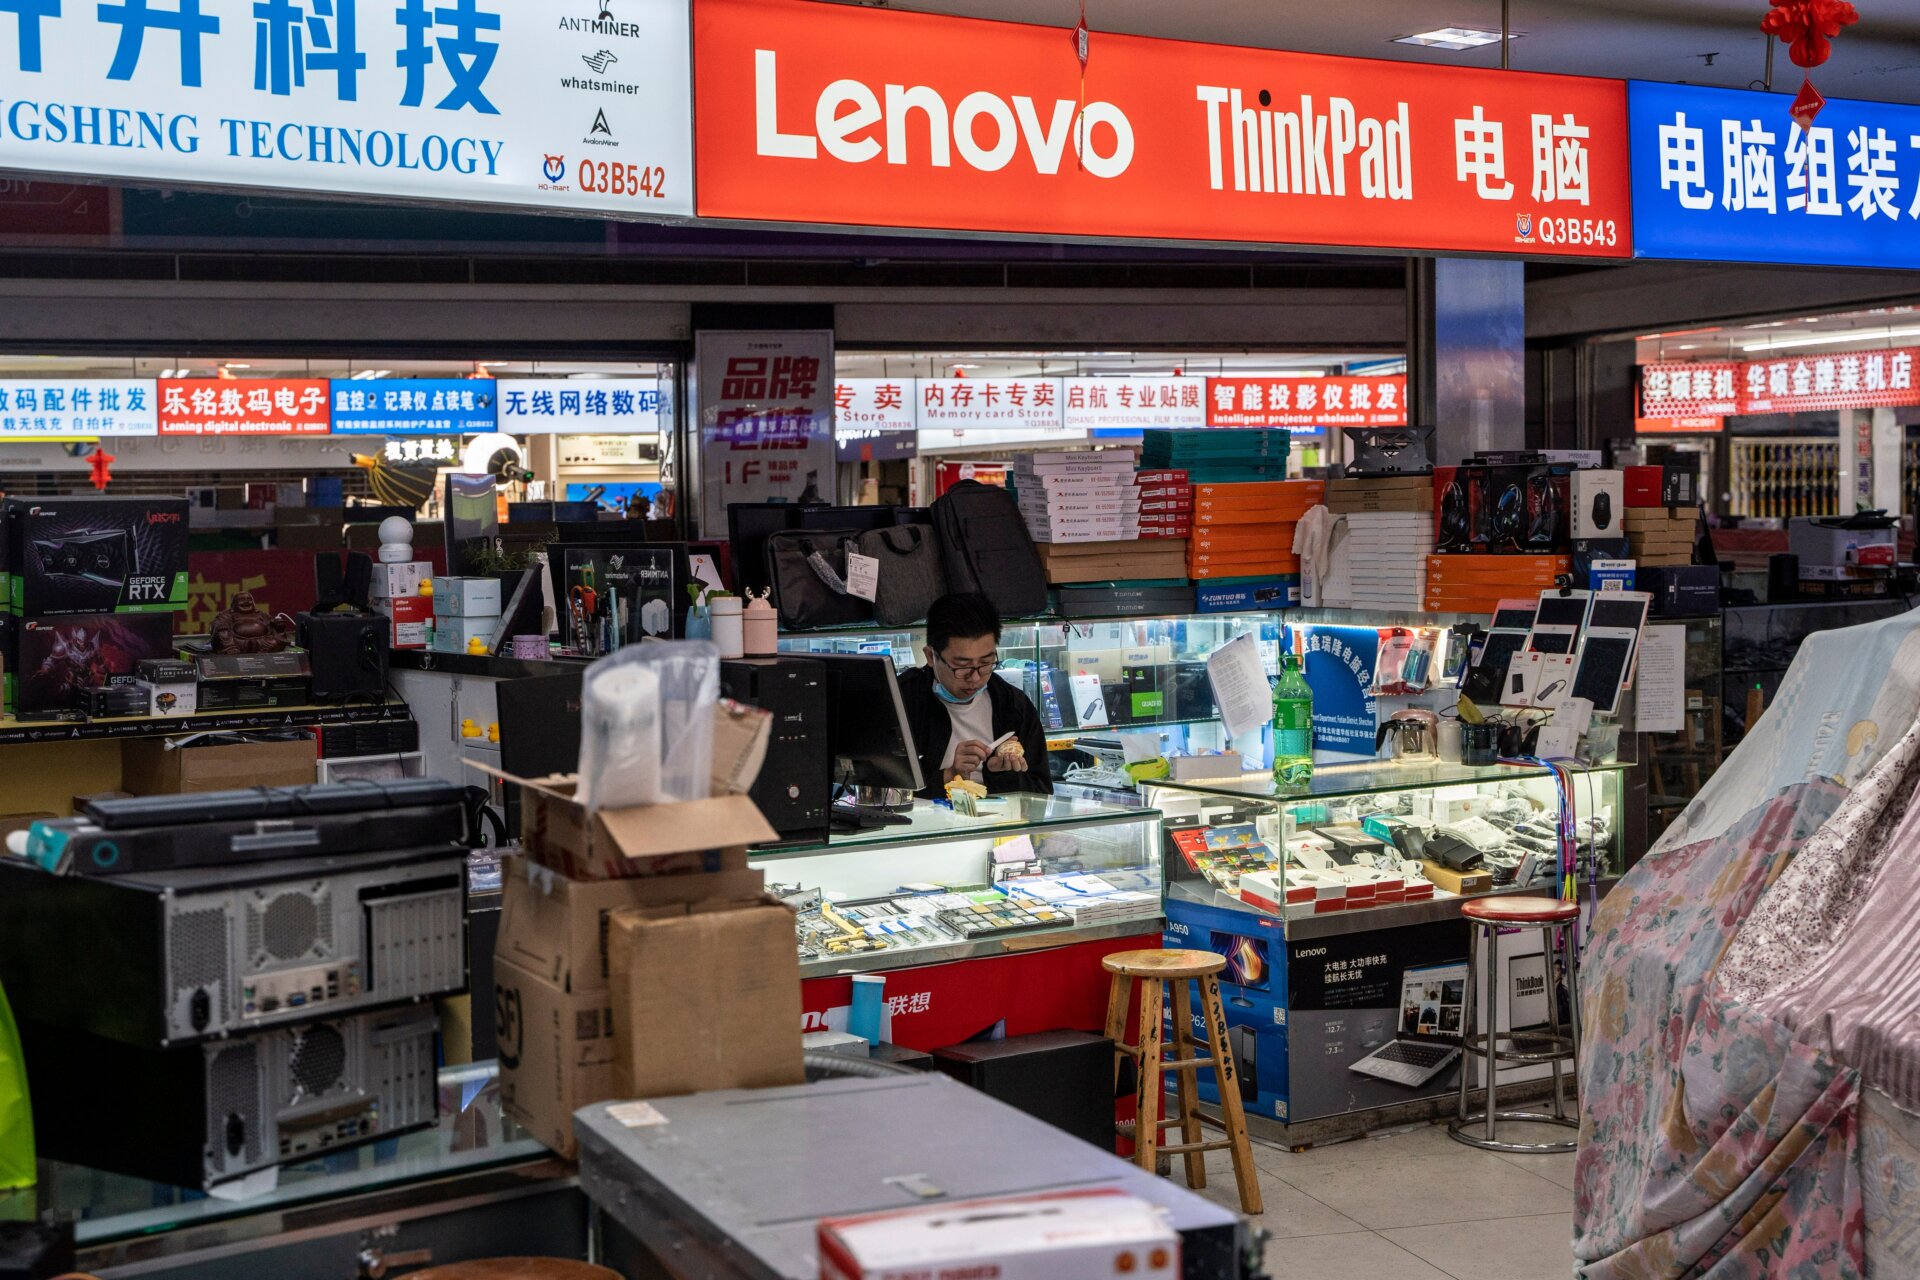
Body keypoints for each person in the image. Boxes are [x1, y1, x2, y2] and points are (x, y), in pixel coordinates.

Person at [896, 592, 1052, 799]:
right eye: (962, 666)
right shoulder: (902, 700)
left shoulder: (1012, 705)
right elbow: (878, 789)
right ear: (931, 656)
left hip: (996, 828)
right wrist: (950, 776)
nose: (975, 678)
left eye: (986, 663)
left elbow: (1042, 793)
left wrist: (999, 775)